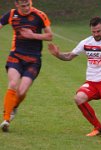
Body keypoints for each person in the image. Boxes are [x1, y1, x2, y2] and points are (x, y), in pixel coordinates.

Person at [0, 0, 53, 132]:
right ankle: (6, 119)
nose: (27, 8)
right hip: (16, 56)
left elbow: (49, 35)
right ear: (16, 5)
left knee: (22, 91)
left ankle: (14, 106)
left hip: (33, 59)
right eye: (23, 6)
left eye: (28, 5)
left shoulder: (39, 15)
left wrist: (33, 35)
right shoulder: (11, 14)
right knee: (12, 84)